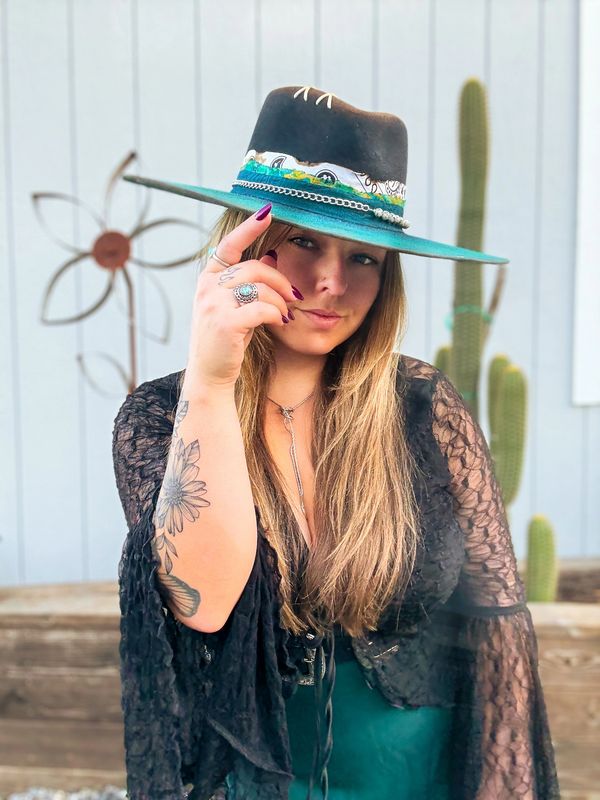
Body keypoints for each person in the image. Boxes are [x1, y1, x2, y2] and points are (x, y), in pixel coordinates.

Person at [112, 86, 561, 799]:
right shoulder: (162, 416)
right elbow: (204, 604)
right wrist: (212, 379)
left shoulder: (423, 408)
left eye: (364, 258)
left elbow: (498, 623)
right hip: (254, 779)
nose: (330, 282)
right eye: (304, 242)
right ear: (246, 242)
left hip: (414, 774)